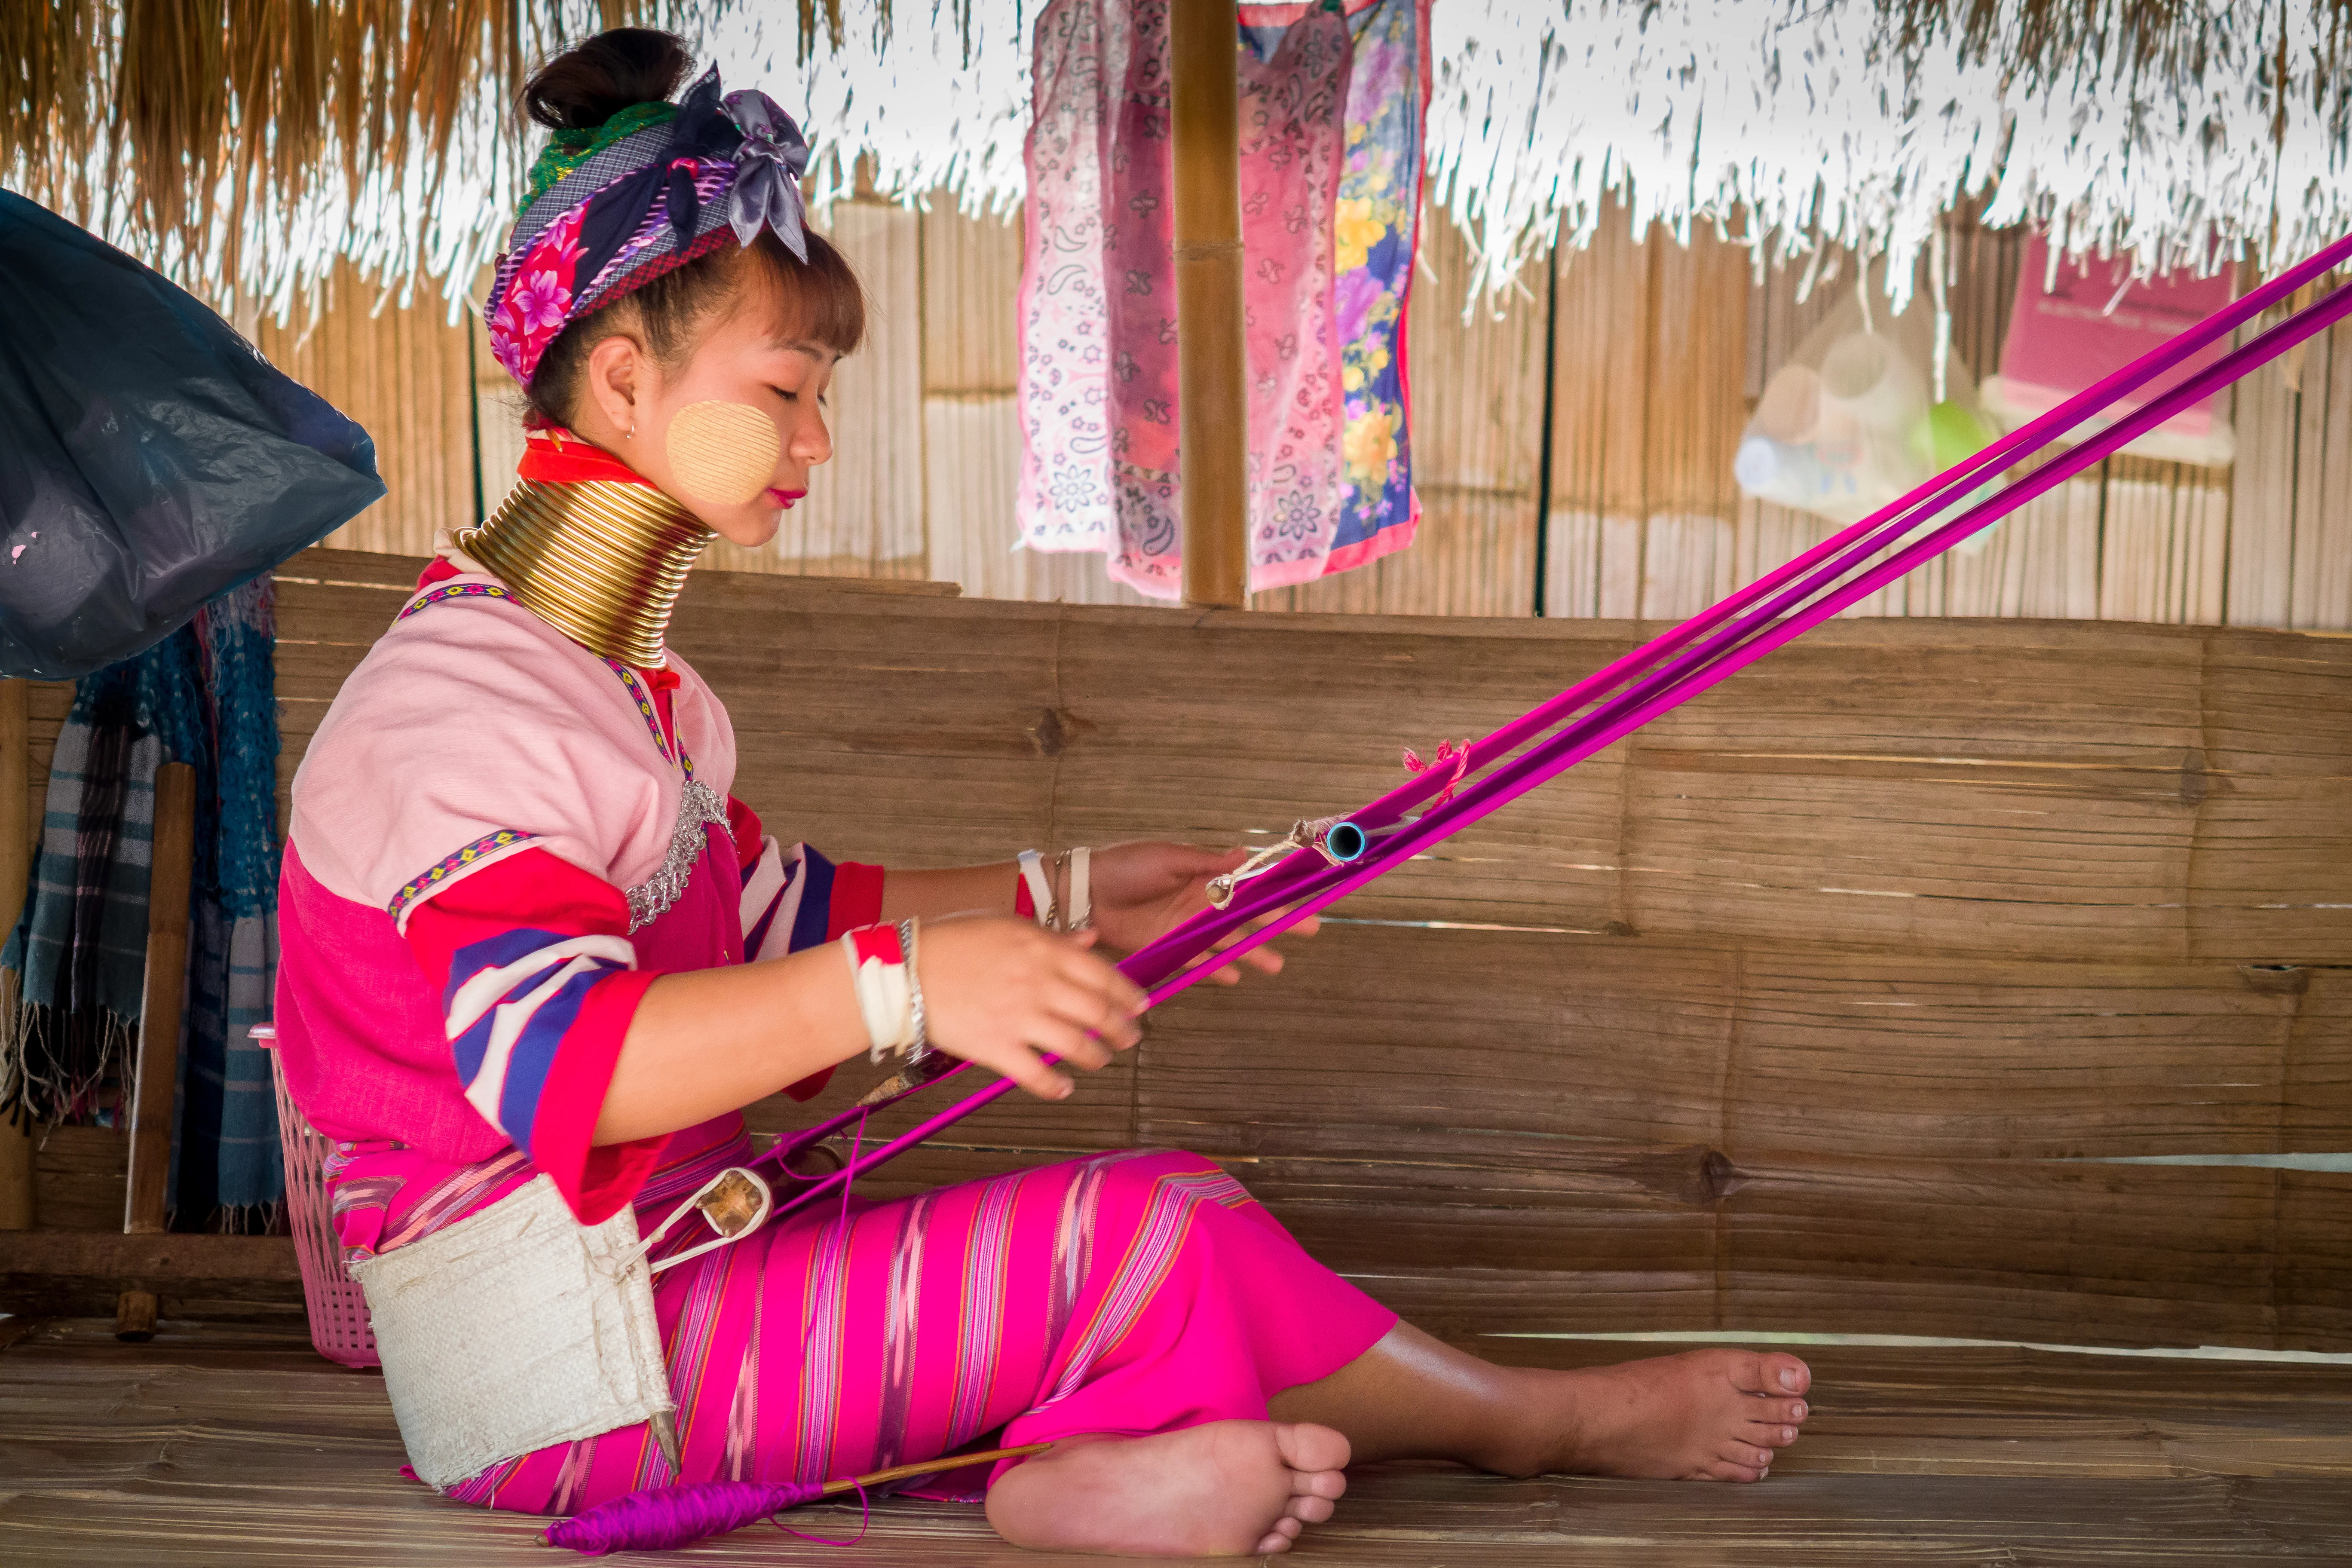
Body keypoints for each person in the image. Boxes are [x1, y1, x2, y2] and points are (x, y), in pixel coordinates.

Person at [273, 29, 1813, 1557]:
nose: (816, 437)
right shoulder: (459, 717)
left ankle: (1207, 1462)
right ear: (622, 378)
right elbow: (581, 1075)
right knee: (1142, 1237)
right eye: (787, 386)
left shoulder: (618, 689)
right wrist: (917, 982)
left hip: (666, 1286)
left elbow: (772, 914)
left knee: (1183, 1207)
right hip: (578, 1386)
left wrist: (1084, 897)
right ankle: (1403, 1441)